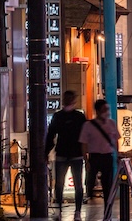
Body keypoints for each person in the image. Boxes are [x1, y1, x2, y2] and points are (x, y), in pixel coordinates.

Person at [45, 91, 87, 220]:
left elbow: (51, 135)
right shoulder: (79, 117)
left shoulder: (58, 116)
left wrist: (46, 152)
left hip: (63, 153)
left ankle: (61, 210)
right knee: (77, 184)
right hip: (75, 153)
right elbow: (84, 136)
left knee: (60, 184)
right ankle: (77, 212)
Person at [79, 99, 120, 202]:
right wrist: (86, 160)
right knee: (90, 182)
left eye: (107, 109)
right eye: (104, 109)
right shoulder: (88, 125)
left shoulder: (112, 123)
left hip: (107, 156)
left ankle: (107, 211)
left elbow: (116, 140)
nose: (107, 112)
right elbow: (83, 143)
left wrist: (117, 155)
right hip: (94, 157)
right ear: (97, 111)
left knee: (108, 185)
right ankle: (88, 196)